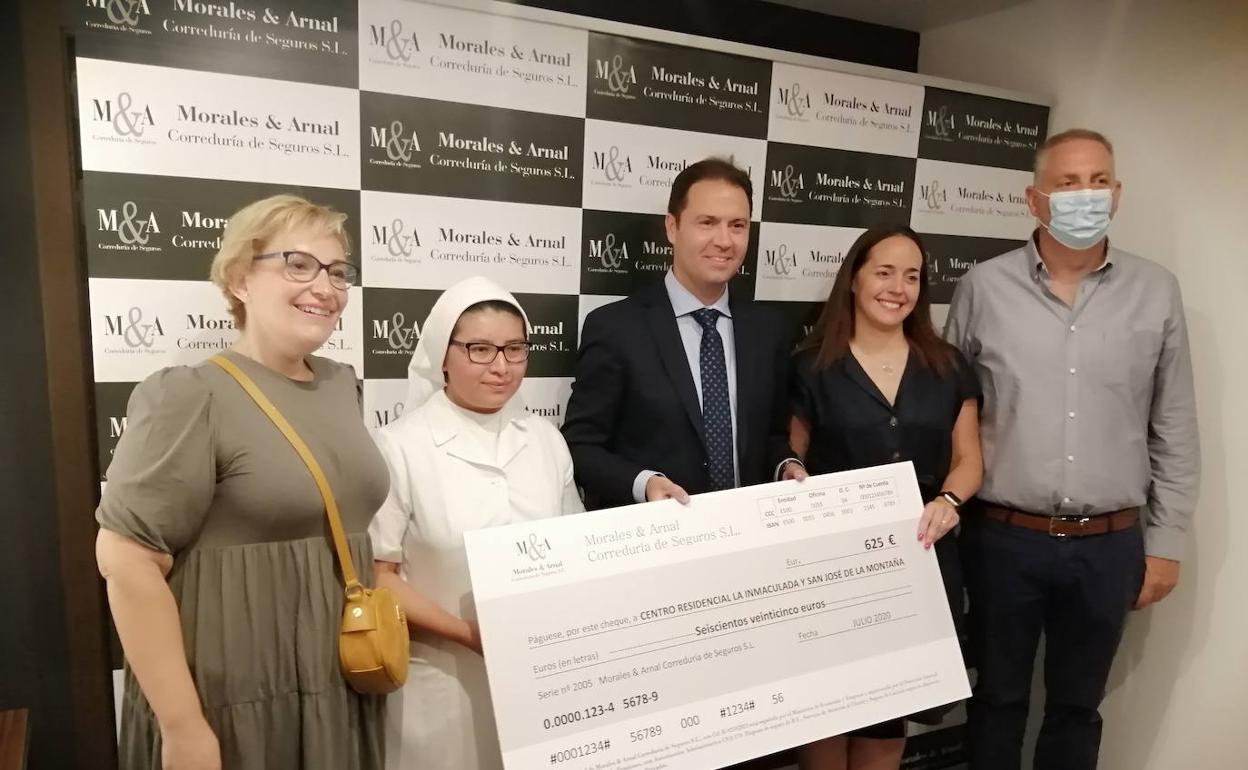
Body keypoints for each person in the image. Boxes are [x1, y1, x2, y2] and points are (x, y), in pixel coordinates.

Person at [94, 195, 388, 770]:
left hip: (340, 682)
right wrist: (183, 726)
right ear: (239, 279)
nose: (325, 287)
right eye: (298, 265)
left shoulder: (342, 385)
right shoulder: (190, 394)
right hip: (233, 698)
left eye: (338, 272)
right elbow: (127, 562)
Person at [945, 128, 1200, 770]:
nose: (1085, 195)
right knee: (996, 700)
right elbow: (948, 413)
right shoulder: (982, 288)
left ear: (1117, 193)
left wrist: (1166, 543)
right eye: (1066, 183)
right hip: (1003, 539)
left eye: (1097, 181)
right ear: (1034, 199)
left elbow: (1174, 425)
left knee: (1077, 709)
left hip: (1109, 546)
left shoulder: (1156, 290)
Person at [369, 277, 584, 770]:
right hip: (440, 680)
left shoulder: (546, 440)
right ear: (442, 356)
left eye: (515, 349)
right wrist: (469, 633)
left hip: (541, 675)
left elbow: (574, 544)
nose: (501, 367)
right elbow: (379, 577)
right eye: (480, 349)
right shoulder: (398, 446)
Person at [789, 224, 982, 770]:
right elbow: (789, 460)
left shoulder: (948, 366)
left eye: (912, 276)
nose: (898, 288)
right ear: (854, 279)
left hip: (920, 559)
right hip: (832, 569)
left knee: (889, 715)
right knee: (826, 713)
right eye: (884, 272)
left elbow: (970, 460)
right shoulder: (811, 366)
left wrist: (949, 501)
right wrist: (793, 478)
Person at [563, 157, 805, 511]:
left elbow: (770, 436)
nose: (724, 240)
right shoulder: (616, 328)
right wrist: (644, 483)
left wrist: (785, 466)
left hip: (749, 531)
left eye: (737, 225)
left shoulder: (769, 330)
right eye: (707, 222)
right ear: (672, 227)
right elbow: (580, 447)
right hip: (656, 535)